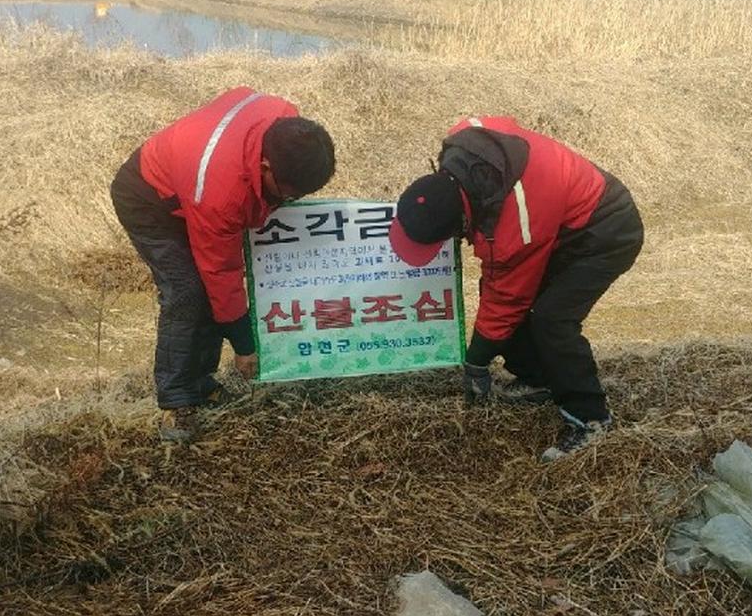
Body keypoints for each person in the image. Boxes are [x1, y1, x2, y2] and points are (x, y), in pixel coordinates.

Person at [388, 114, 643, 460]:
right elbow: (491, 120)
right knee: (508, 295)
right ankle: (537, 378)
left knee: (552, 318)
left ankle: (590, 418)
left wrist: (475, 363)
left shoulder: (514, 227)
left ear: (461, 222)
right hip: (557, 218)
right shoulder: (462, 141)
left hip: (605, 228)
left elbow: (507, 300)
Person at [111, 87, 335, 441]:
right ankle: (177, 400)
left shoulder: (287, 124)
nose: (290, 202)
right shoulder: (220, 193)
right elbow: (222, 274)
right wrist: (245, 347)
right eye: (288, 194)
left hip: (192, 184)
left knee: (208, 290)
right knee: (188, 292)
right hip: (148, 197)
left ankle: (201, 381)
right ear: (264, 167)